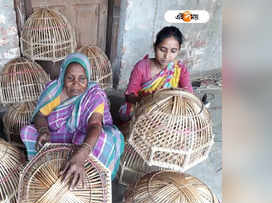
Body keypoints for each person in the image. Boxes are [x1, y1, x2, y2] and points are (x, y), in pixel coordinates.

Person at [21, 53, 124, 189]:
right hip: (57, 135)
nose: (76, 84)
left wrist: (82, 154)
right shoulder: (54, 91)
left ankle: (88, 181)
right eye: (70, 78)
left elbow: (94, 125)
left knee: (104, 139)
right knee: (27, 132)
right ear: (63, 77)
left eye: (82, 79)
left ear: (88, 79)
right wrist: (44, 130)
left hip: (83, 136)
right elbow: (40, 116)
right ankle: (49, 172)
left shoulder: (94, 95)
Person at [119, 26, 193, 123]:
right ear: (155, 47)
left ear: (178, 51)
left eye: (173, 51)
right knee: (126, 113)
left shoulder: (180, 69)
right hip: (144, 106)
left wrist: (169, 102)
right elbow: (129, 96)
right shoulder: (142, 66)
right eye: (162, 49)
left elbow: (188, 95)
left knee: (186, 120)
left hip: (169, 109)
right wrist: (147, 100)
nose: (166, 56)